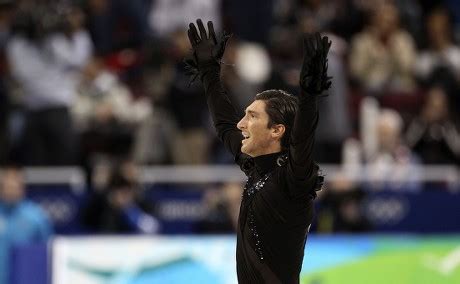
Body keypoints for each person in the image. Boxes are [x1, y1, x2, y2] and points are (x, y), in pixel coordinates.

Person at [185, 19, 330, 283]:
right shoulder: (255, 168)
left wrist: (308, 96)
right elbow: (225, 125)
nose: (242, 124)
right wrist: (208, 70)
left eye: (251, 116)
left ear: (277, 130)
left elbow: (302, 143)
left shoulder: (291, 181)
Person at [0, 166, 52, 284]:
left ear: (22, 189)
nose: (10, 191)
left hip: (27, 279)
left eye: (14, 187)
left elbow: (47, 250)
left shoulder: (36, 217)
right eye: (7, 187)